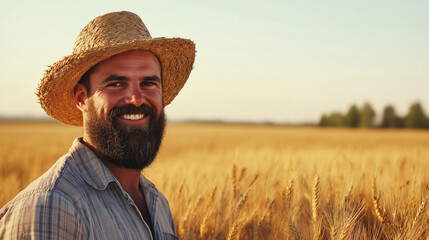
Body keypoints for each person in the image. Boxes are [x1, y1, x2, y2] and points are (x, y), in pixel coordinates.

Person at [0, 11, 195, 240]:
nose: (137, 98)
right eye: (116, 83)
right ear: (81, 98)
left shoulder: (156, 201)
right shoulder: (52, 207)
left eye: (149, 83)